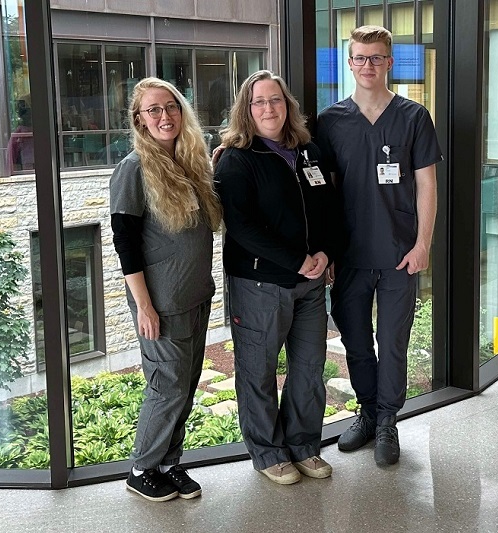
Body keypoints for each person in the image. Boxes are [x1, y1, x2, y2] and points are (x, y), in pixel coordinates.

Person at [317, 25, 443, 466]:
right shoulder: (330, 121)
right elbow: (322, 190)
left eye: (376, 58)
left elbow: (427, 184)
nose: (368, 65)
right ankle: (367, 412)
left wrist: (422, 243)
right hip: (349, 256)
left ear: (390, 62)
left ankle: (388, 419)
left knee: (392, 341)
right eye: (360, 58)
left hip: (398, 256)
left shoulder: (413, 116)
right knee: (354, 341)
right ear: (349, 63)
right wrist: (328, 250)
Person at [214, 70, 339, 485]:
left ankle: (303, 446)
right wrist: (296, 260)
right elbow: (242, 226)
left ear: (288, 106)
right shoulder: (236, 158)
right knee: (258, 371)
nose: (269, 108)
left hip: (310, 283)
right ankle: (268, 452)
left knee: (308, 368)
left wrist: (324, 251)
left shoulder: (308, 151)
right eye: (259, 102)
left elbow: (327, 209)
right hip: (260, 285)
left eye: (276, 100)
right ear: (246, 111)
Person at [109, 77, 222, 501]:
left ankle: (169, 462)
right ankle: (141, 467)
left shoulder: (191, 162)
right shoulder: (134, 168)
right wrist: (143, 306)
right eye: (152, 110)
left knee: (186, 384)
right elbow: (124, 241)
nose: (164, 116)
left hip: (195, 293)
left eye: (170, 106)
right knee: (167, 385)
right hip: (161, 300)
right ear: (139, 120)